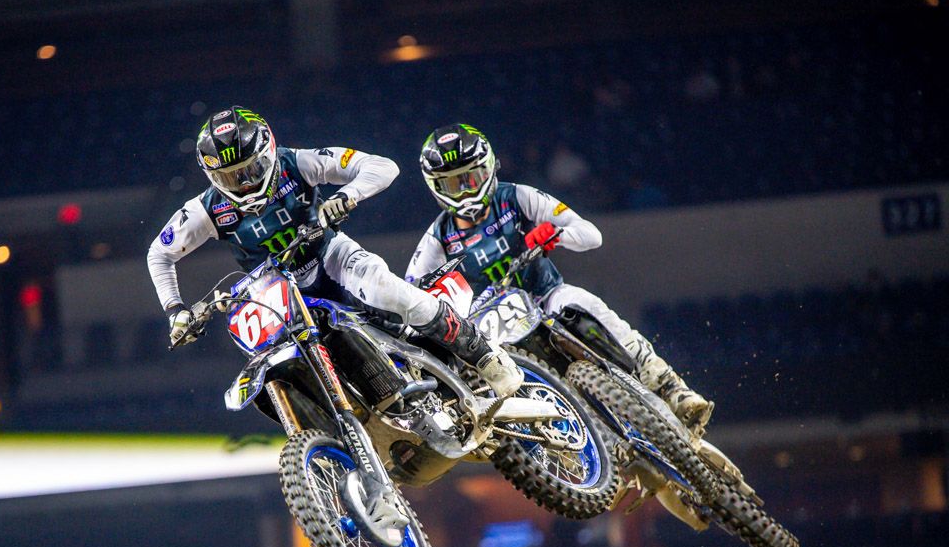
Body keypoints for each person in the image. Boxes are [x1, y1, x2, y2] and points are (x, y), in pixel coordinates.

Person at [145, 107, 522, 396]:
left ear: (269, 151)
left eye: (251, 169)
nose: (243, 183)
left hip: (330, 256)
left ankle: (484, 355)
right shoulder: (206, 209)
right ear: (211, 176)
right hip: (275, 293)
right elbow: (159, 254)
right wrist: (175, 309)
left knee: (387, 289)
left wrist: (347, 195)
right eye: (230, 177)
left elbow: (382, 166)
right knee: (268, 357)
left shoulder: (298, 162)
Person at [405, 123, 712, 431]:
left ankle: (670, 386)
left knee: (584, 303)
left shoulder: (517, 197)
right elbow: (411, 296)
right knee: (487, 381)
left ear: (489, 168)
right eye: (454, 184)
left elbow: (591, 235)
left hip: (546, 296)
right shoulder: (437, 238)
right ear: (437, 187)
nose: (466, 190)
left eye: (472, 178)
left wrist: (555, 232)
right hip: (495, 330)